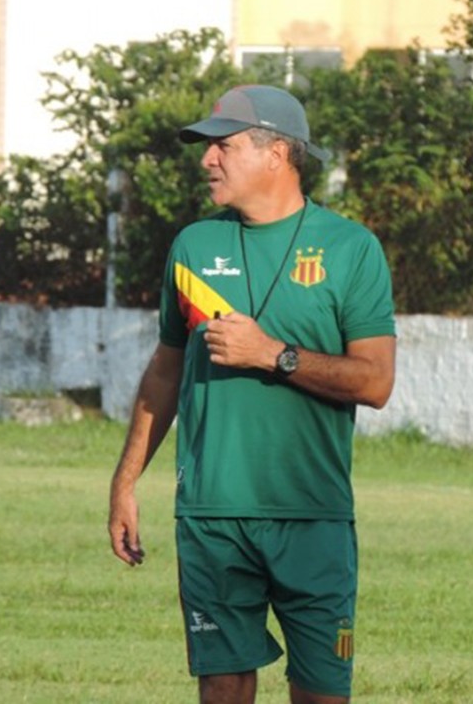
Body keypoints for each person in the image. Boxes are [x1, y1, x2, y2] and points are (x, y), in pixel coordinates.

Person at [108, 84, 397, 704]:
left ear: (277, 155)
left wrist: (275, 355)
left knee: (322, 692)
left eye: (224, 146)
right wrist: (126, 482)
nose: (207, 159)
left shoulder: (351, 250)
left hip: (312, 514)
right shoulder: (193, 248)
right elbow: (165, 371)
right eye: (207, 147)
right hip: (213, 515)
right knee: (223, 687)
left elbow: (375, 381)